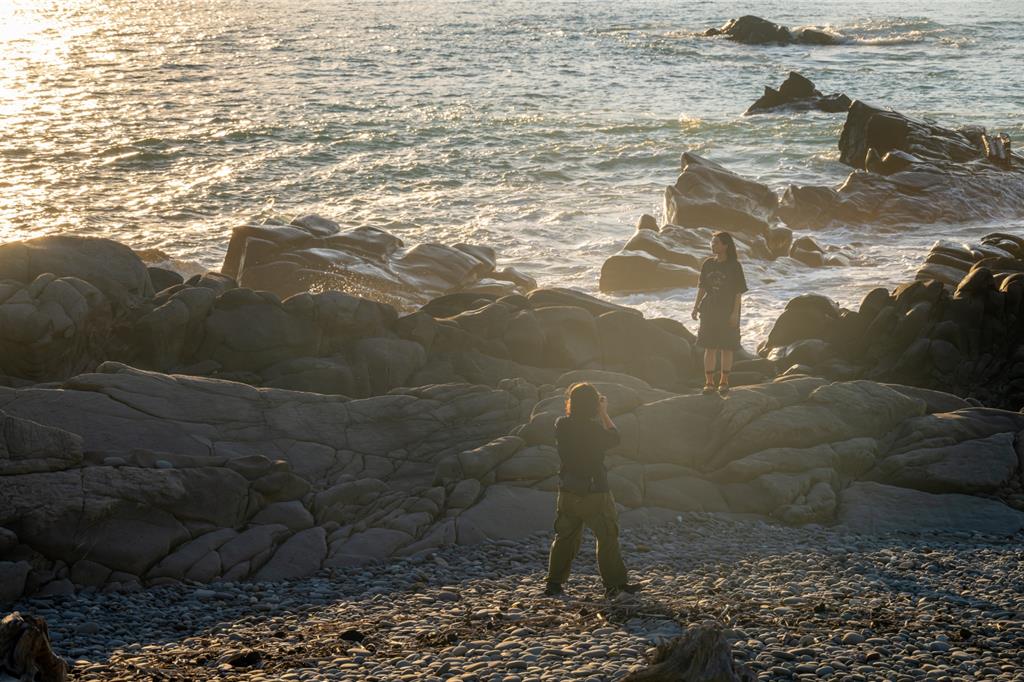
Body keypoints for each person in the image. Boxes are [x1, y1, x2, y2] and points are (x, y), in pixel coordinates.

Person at [544, 382, 639, 598]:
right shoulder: (594, 429)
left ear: (572, 403)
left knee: (564, 537)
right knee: (607, 536)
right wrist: (604, 412)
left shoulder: (561, 424)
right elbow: (615, 437)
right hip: (595, 491)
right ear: (594, 405)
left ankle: (554, 584)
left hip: (568, 490)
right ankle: (615, 585)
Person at [691, 231, 748, 396]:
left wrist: (735, 314)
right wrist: (695, 307)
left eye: (716, 242)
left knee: (726, 347)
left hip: (727, 310)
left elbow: (738, 292)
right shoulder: (708, 264)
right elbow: (702, 287)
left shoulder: (734, 266)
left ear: (725, 246)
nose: (712, 245)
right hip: (709, 309)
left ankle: (724, 382)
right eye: (712, 242)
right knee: (709, 347)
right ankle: (709, 383)